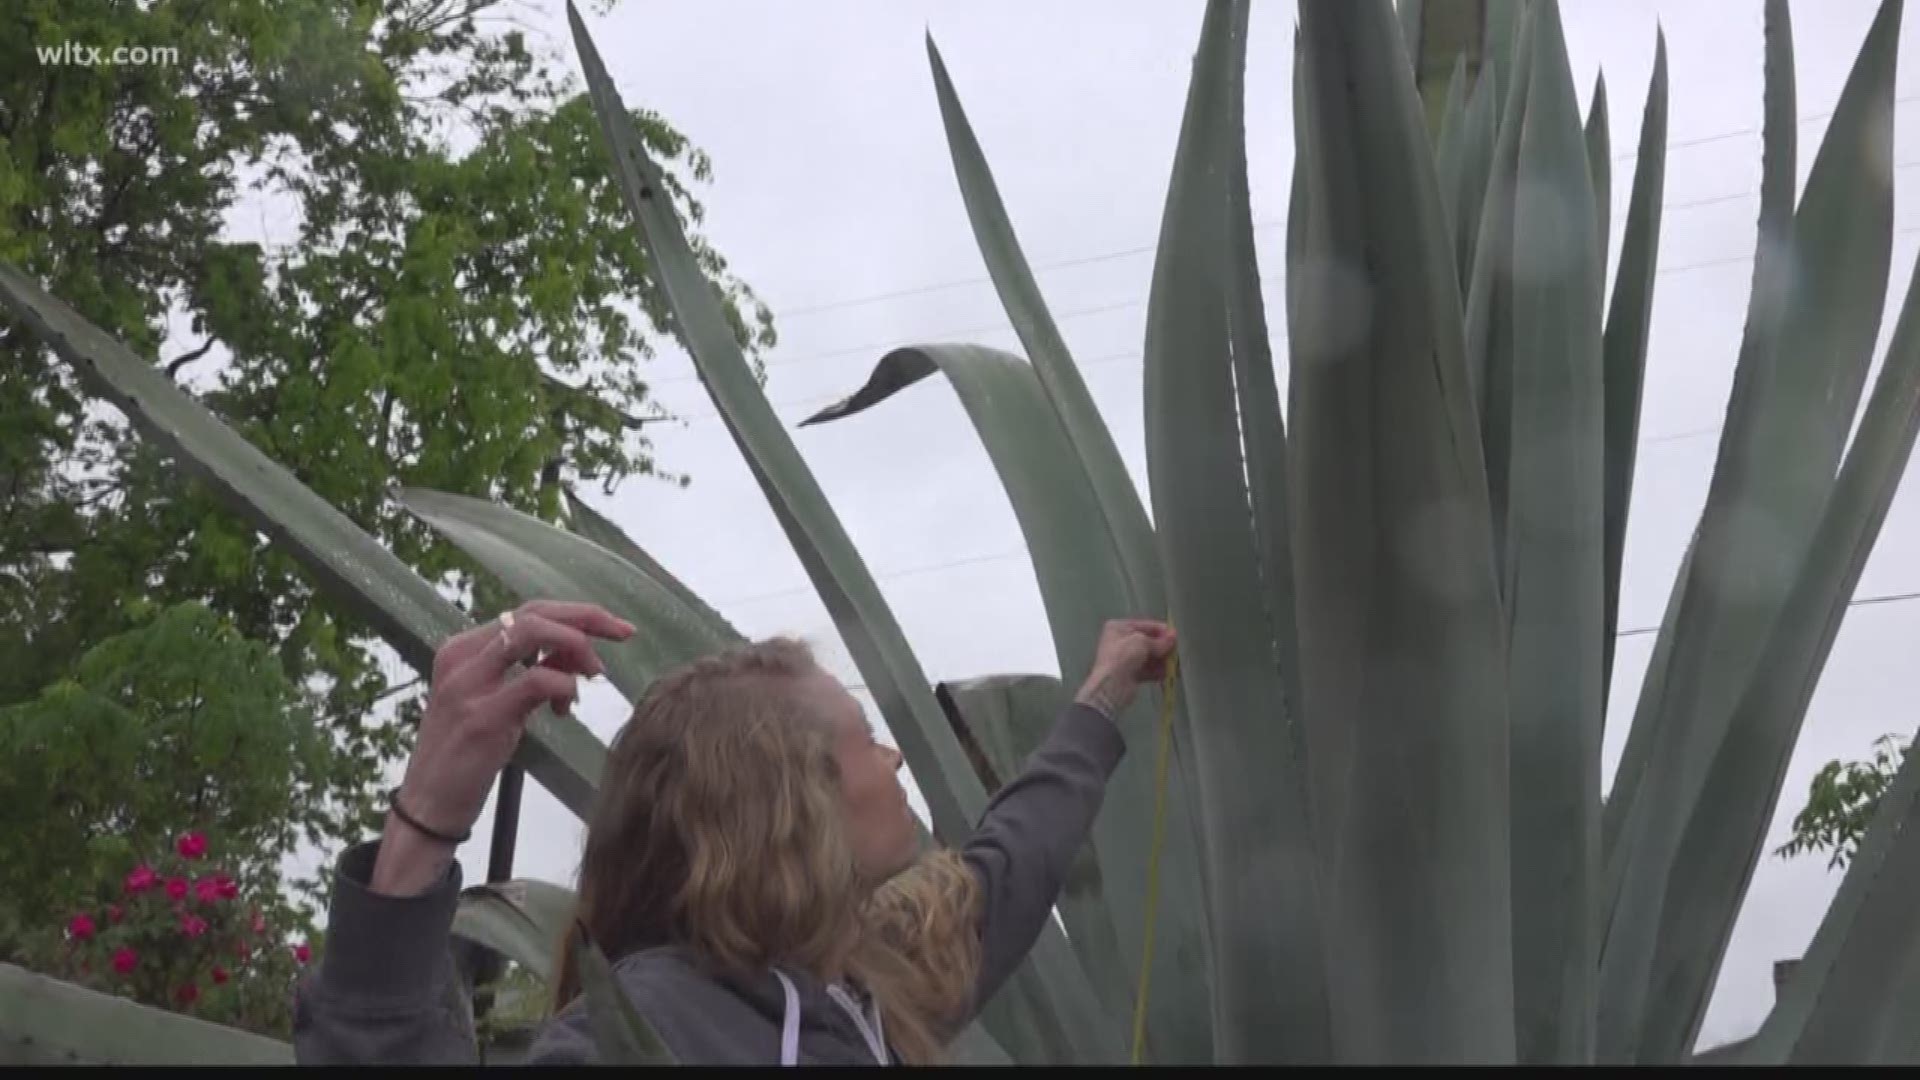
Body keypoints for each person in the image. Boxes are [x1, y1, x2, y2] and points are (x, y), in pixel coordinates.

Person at [292, 598, 1176, 1066]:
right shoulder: (651, 1028)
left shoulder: (868, 991)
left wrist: (1102, 698)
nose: (896, 760)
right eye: (865, 740)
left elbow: (1012, 863)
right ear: (796, 803)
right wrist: (427, 819)